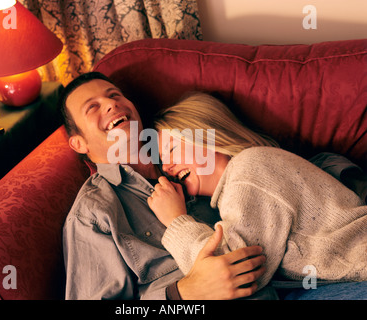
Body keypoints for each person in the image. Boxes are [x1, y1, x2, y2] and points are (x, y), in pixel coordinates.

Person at [60, 71, 365, 300]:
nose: (111, 105)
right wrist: (180, 294)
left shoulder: (202, 162)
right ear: (78, 142)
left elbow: (288, 172)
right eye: (93, 107)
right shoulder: (93, 213)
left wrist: (352, 188)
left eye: (115, 95)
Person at [148, 92, 367, 296]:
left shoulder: (248, 169)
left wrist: (175, 220)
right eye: (163, 161)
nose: (167, 168)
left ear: (207, 136)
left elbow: (233, 274)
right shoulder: (240, 180)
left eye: (172, 150)